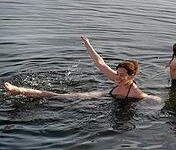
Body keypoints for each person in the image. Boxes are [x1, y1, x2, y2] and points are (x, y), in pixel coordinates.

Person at [3, 36, 160, 101]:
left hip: (109, 105)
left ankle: (20, 91)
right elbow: (100, 63)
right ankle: (19, 90)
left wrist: (158, 100)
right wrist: (88, 45)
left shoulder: (134, 92)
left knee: (58, 97)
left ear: (131, 77)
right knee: (59, 96)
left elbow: (149, 98)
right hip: (101, 97)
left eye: (122, 75)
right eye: (117, 73)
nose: (117, 77)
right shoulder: (116, 78)